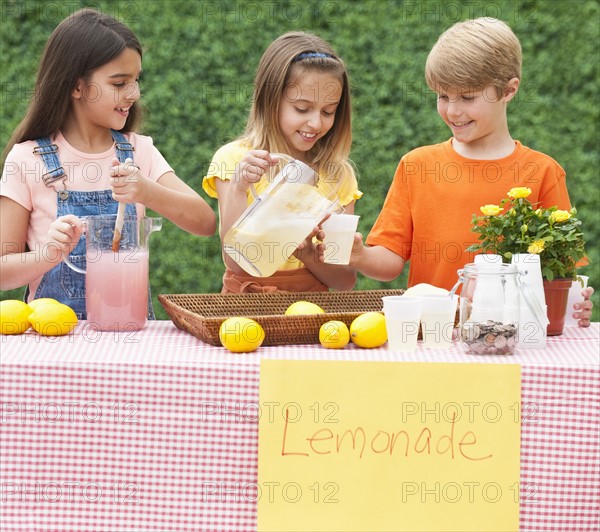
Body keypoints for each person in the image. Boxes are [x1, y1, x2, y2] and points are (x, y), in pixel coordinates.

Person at [350, 17, 593, 326]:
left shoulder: (542, 172)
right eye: (443, 96)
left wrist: (576, 304)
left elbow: (562, 274)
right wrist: (359, 256)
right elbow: (390, 262)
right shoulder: (417, 166)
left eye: (467, 97)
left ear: (508, 90)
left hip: (509, 340)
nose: (452, 110)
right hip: (431, 336)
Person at [0, 8, 216, 318]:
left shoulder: (138, 151)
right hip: (54, 341)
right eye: (119, 84)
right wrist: (48, 255)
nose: (134, 93)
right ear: (76, 86)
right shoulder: (27, 159)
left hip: (130, 336)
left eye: (136, 80)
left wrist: (146, 192)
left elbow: (204, 222)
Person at [203, 31, 361, 293]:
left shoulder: (338, 175)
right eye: (302, 109)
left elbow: (343, 281)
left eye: (328, 111)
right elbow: (235, 262)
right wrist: (238, 188)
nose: (315, 123)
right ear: (270, 100)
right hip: (244, 310)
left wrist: (308, 254)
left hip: (311, 315)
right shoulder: (234, 160)